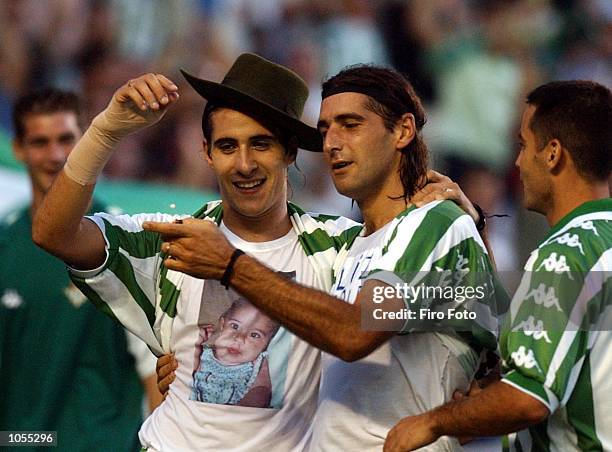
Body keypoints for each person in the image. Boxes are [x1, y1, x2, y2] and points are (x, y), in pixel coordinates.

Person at [144, 65, 506, 451]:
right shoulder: (356, 244)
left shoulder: (431, 223)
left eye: (350, 125)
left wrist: (231, 264)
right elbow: (488, 333)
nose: (332, 142)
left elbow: (354, 334)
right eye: (324, 130)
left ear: (402, 130)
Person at [32, 54, 362, 451]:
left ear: (290, 152)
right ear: (207, 153)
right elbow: (53, 233)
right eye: (227, 146)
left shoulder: (343, 247)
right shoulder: (171, 237)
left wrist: (453, 212)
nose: (243, 164)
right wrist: (105, 131)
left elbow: (405, 314)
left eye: (261, 144)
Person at [382, 80, 612, 451]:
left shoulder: (565, 255)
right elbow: (542, 339)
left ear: (553, 153)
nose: (517, 161)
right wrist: (476, 229)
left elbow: (528, 398)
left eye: (523, 145)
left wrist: (432, 422)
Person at [0, 89, 160, 451]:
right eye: (40, 142)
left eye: (66, 140)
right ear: (19, 150)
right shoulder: (4, 248)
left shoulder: (128, 242)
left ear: (86, 141)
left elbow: (156, 370)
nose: (56, 156)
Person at [191, 297, 279, 408]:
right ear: (222, 325)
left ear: (267, 344)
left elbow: (262, 389)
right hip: (197, 413)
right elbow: (189, 374)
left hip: (236, 417)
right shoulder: (204, 354)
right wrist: (195, 345)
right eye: (235, 326)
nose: (239, 338)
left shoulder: (259, 363)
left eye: (254, 335)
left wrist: (242, 410)